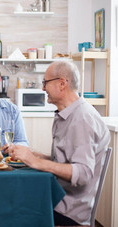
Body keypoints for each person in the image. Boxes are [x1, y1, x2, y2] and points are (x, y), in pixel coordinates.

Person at [9, 61, 110, 226]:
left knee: (11, 209)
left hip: (68, 209)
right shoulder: (67, 115)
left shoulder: (82, 119)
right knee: (13, 199)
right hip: (58, 197)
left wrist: (36, 162)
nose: (43, 88)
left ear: (62, 83)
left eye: (45, 83)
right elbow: (68, 161)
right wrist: (38, 156)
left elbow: (83, 173)